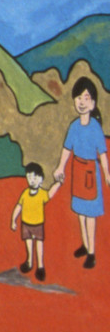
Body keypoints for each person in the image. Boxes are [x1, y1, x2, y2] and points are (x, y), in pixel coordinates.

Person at [51, 77, 108, 269]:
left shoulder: (95, 127)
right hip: (77, 170)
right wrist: (60, 167)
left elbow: (102, 153)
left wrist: (107, 174)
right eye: (79, 98)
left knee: (90, 214)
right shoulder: (74, 126)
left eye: (86, 98)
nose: (82, 102)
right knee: (80, 213)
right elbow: (67, 149)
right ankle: (84, 244)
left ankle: (91, 253)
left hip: (91, 173)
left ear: (93, 104)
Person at [13, 162, 52, 282]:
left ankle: (40, 267)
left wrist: (58, 183)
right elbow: (19, 206)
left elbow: (50, 194)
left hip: (38, 224)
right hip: (26, 224)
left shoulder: (42, 194)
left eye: (35, 177)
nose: (32, 180)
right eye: (29, 177)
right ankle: (29, 262)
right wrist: (13, 219)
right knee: (28, 243)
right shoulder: (25, 193)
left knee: (39, 244)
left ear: (41, 179)